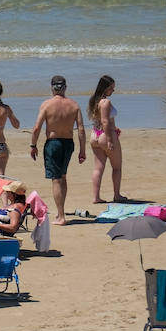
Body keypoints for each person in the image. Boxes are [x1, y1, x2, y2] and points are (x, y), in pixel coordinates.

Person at [29, 75, 86, 225]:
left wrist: (33, 146)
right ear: (65, 87)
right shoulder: (74, 105)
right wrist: (82, 150)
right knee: (63, 176)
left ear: (52, 87)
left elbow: (36, 128)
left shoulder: (47, 105)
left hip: (53, 144)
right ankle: (61, 212)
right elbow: (81, 129)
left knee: (56, 179)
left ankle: (61, 216)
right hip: (68, 144)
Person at [88, 75, 127, 203]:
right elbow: (105, 121)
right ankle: (117, 195)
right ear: (105, 88)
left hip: (95, 135)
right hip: (105, 135)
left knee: (98, 168)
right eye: (111, 88)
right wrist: (110, 139)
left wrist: (115, 128)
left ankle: (95, 197)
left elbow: (99, 120)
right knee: (117, 167)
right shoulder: (106, 102)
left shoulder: (94, 100)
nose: (113, 91)